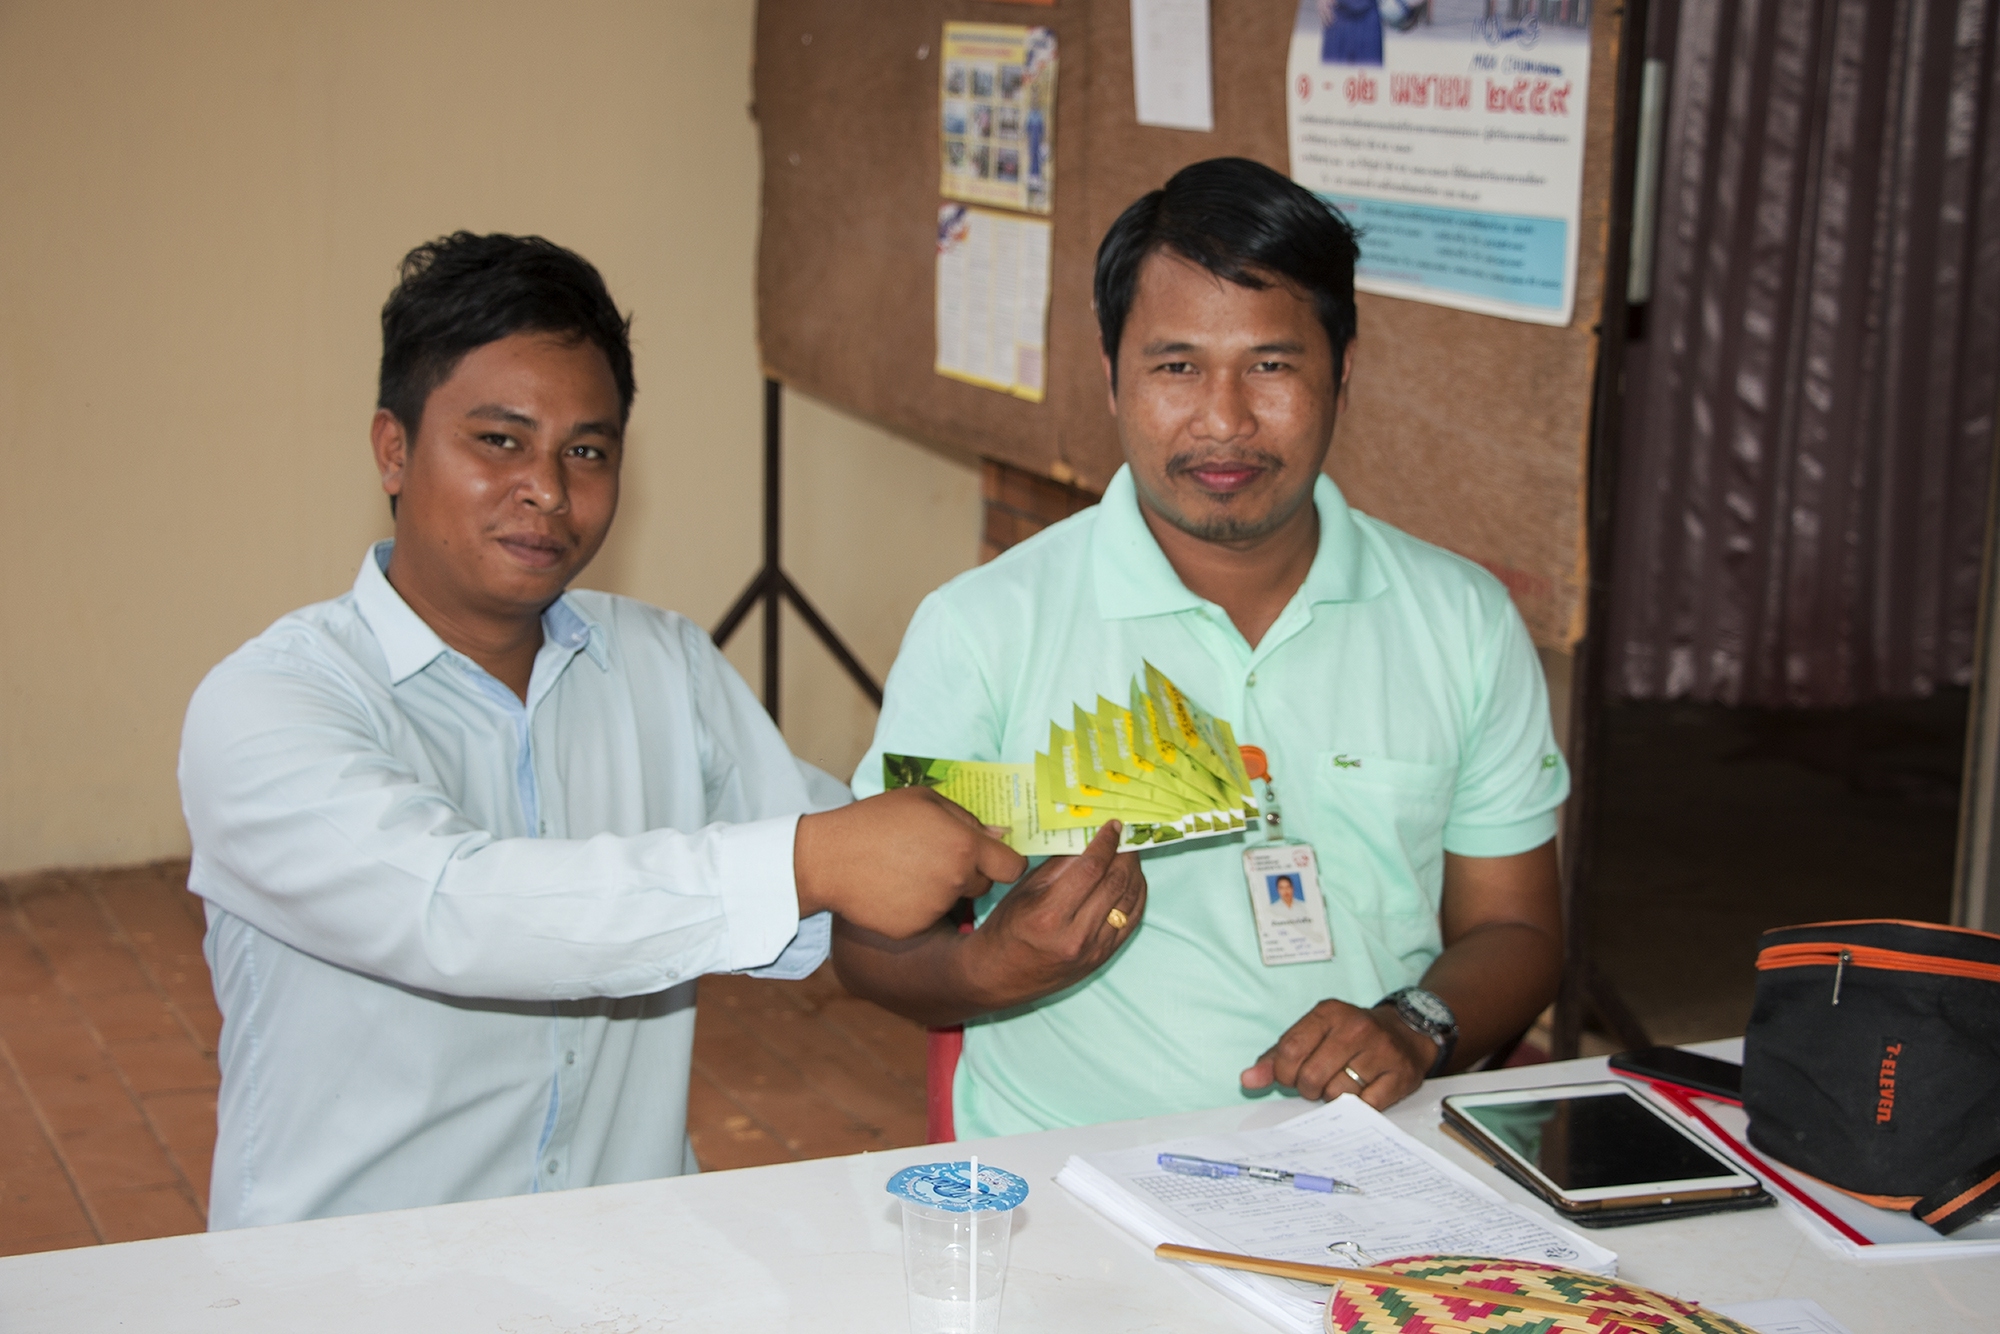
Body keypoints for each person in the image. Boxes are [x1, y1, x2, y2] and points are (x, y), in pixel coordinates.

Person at [178, 233, 1028, 1227]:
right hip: (352, 1278)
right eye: (499, 441)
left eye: (586, 451)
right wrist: (814, 859)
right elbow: (457, 909)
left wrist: (1007, 917)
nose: (547, 487)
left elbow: (849, 895)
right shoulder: (269, 704)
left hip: (630, 1259)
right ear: (393, 449)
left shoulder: (664, 665)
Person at [837, 158, 1568, 1139]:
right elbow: (867, 942)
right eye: (1175, 367)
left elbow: (1516, 926)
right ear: (1111, 375)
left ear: (1343, 373)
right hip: (1070, 1167)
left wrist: (1413, 1023)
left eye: (1271, 366)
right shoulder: (983, 628)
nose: (1224, 421)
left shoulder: (1461, 621)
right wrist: (991, 966)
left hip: (1372, 1157)